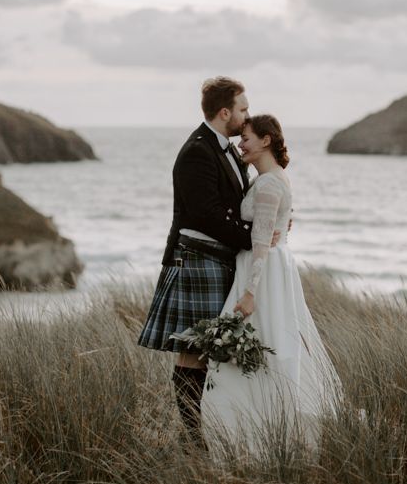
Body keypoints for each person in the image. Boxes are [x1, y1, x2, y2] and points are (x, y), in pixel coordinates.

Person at [137, 77, 279, 445]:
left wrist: (270, 222)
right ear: (225, 112)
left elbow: (238, 207)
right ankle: (192, 437)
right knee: (192, 351)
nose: (247, 116)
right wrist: (254, 238)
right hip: (198, 259)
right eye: (243, 109)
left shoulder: (228, 150)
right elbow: (207, 215)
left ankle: (210, 430)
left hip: (217, 260)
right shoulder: (197, 151)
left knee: (205, 351)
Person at [200, 115, 341, 453]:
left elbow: (261, 240)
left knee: (264, 341)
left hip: (262, 272)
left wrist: (250, 292)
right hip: (272, 266)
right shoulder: (272, 178)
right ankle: (264, 425)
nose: (240, 144)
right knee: (274, 340)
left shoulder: (268, 183)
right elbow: (269, 228)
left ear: (266, 140)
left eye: (246, 138)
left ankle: (254, 430)